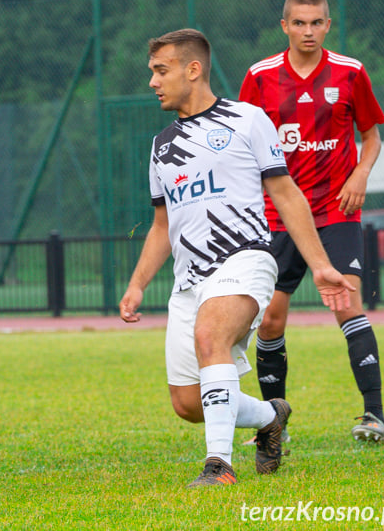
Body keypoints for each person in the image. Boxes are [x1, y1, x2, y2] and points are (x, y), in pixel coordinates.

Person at [119, 29, 354, 488]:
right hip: (189, 279)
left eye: (161, 70)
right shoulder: (161, 146)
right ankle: (270, 415)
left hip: (244, 258)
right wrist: (137, 284)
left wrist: (322, 264)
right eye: (152, 72)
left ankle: (218, 467)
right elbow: (162, 227)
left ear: (194, 70)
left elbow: (286, 194)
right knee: (189, 403)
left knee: (212, 337)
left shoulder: (246, 119)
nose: (153, 81)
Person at [239, 0, 384, 445]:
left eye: (316, 22)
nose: (308, 31)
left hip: (336, 210)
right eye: (299, 23)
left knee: (347, 303)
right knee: (269, 320)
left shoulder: (350, 72)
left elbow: (372, 136)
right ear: (284, 26)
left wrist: (360, 175)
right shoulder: (260, 76)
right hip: (278, 214)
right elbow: (244, 144)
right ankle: (273, 425)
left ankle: (374, 417)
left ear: (328, 24)